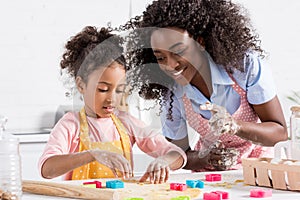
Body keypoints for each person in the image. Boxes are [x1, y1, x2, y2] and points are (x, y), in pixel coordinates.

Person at [122, 0, 288, 171]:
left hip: (260, 168)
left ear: (200, 42)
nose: (170, 66)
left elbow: (279, 133)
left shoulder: (244, 67)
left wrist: (235, 126)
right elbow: (179, 152)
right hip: (211, 175)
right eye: (161, 58)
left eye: (178, 51)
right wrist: (206, 158)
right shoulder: (171, 92)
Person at [38, 26, 186, 183]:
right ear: (81, 85)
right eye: (103, 89)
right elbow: (47, 169)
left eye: (120, 90)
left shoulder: (126, 123)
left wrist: (163, 161)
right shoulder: (70, 125)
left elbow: (177, 154)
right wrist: (93, 154)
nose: (112, 99)